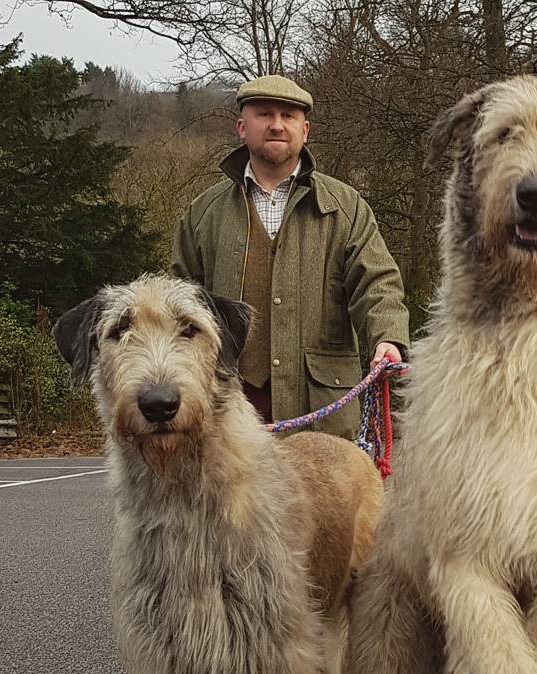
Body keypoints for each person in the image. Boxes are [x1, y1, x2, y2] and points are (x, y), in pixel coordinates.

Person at [171, 75, 409, 440]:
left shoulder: (346, 208)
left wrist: (388, 339)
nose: (277, 125)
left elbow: (377, 284)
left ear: (305, 129)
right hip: (227, 409)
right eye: (264, 114)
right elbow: (178, 307)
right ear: (241, 127)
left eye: (288, 115)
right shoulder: (203, 214)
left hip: (321, 408)